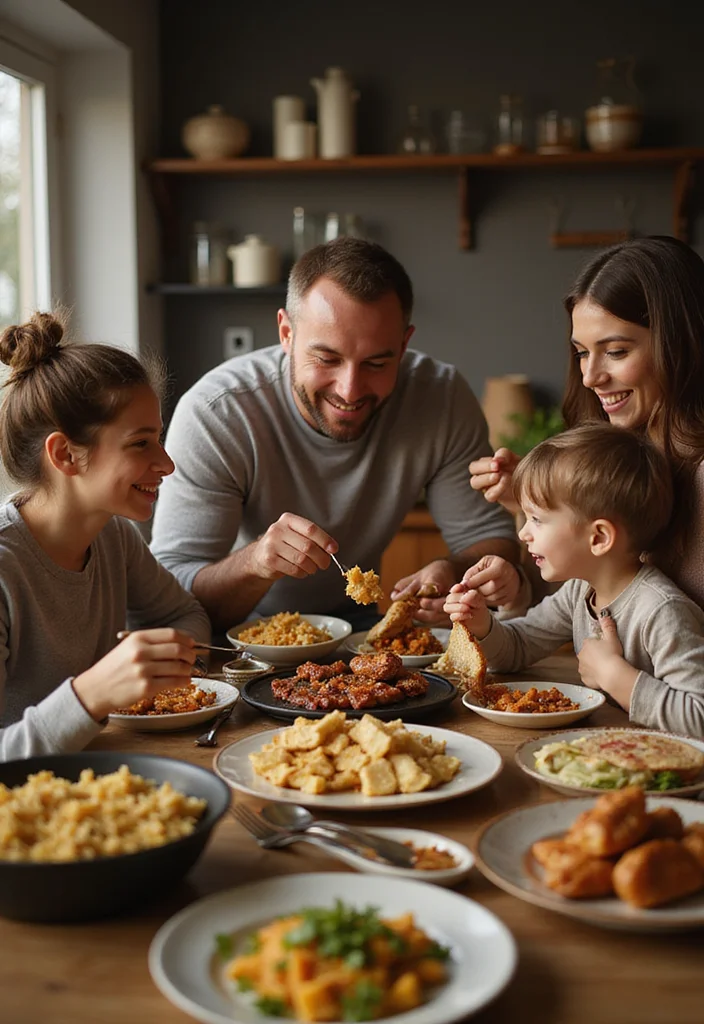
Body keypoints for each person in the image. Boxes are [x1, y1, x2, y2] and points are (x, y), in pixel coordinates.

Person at [150, 237, 523, 632]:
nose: (350, 390)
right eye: (327, 359)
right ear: (286, 333)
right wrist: (255, 563)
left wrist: (455, 569)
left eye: (377, 363)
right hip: (242, 634)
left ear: (404, 344)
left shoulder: (441, 397)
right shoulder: (218, 413)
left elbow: (492, 539)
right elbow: (171, 599)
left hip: (364, 628)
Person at [0, 312, 211, 761]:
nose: (167, 464)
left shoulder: (115, 536)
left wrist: (167, 669)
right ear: (65, 454)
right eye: (141, 443)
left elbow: (183, 613)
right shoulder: (5, 568)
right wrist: (91, 694)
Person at [469, 235, 704, 609]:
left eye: (615, 351)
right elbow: (573, 607)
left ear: (682, 344)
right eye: (581, 353)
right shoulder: (607, 458)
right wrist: (535, 506)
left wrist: (622, 673)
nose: (590, 377)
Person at [447, 424, 704, 738]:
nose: (522, 533)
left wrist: (614, 675)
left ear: (598, 537)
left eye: (537, 520)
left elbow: (699, 716)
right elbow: (516, 648)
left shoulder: (662, 611)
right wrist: (482, 624)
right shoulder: (578, 592)